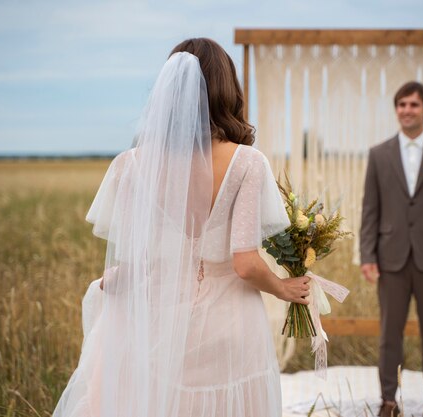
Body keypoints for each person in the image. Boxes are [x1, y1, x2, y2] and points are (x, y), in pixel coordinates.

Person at [52, 38, 311, 417]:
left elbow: (141, 265)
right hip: (231, 326)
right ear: (227, 89)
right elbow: (245, 264)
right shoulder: (247, 163)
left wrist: (111, 279)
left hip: (159, 328)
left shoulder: (131, 165)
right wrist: (284, 288)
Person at [360, 81, 423, 417]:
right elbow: (370, 210)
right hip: (390, 258)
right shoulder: (379, 154)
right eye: (402, 104)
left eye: (414, 105)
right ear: (396, 110)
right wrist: (367, 256)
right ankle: (388, 401)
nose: (407, 110)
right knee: (390, 336)